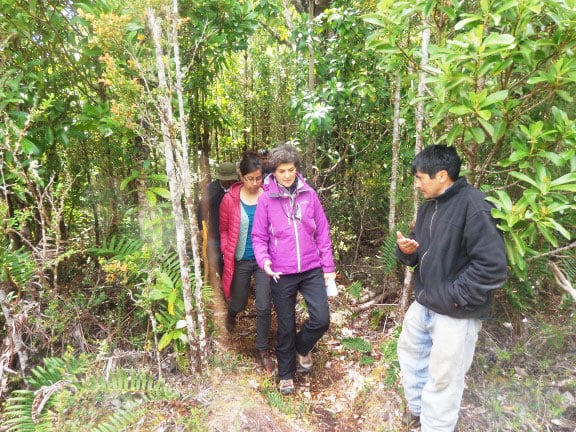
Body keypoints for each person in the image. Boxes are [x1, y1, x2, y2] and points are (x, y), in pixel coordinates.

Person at [396, 145, 508, 431]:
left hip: (455, 313)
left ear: (442, 175)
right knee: (411, 355)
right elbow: (420, 248)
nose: (417, 184)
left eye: (421, 177)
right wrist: (407, 251)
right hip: (426, 304)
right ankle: (420, 414)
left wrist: (453, 297)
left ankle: (436, 427)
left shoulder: (475, 206)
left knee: (444, 379)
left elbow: (492, 267)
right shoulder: (429, 205)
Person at [251, 144, 336, 395]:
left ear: (296, 169)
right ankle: (286, 375)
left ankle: (302, 347)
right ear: (274, 172)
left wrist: (328, 267)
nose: (287, 175)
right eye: (282, 171)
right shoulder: (266, 198)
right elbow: (258, 237)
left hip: (311, 267)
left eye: (291, 169)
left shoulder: (309, 194)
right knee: (286, 325)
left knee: (321, 318)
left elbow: (322, 231)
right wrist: (264, 261)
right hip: (281, 271)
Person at [219, 153, 274, 373]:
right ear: (241, 176)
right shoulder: (230, 199)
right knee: (239, 301)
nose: (254, 183)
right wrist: (226, 250)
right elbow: (223, 229)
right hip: (240, 260)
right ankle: (232, 314)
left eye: (258, 178)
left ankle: (262, 349)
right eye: (249, 178)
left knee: (263, 305)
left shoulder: (270, 196)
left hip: (264, 261)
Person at [198, 161, 238, 279]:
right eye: (225, 179)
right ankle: (218, 286)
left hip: (234, 231)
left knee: (233, 262)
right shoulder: (212, 188)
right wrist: (201, 228)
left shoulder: (237, 187)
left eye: (230, 180)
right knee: (216, 260)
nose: (227, 182)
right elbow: (202, 208)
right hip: (215, 232)